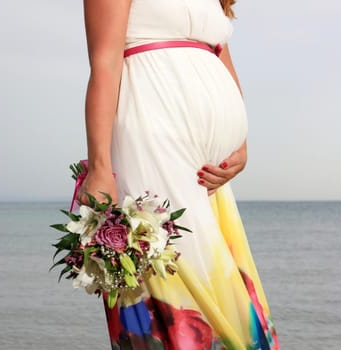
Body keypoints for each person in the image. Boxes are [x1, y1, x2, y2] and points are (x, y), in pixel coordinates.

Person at [76, 0, 280, 349]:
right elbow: (105, 63)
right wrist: (99, 167)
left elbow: (218, 54)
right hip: (151, 143)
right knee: (175, 281)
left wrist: (240, 143)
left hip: (207, 175)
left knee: (221, 284)